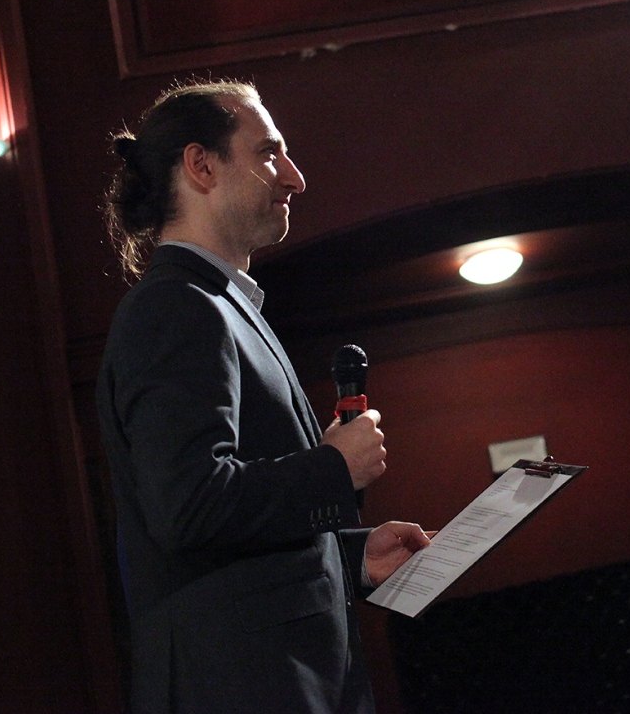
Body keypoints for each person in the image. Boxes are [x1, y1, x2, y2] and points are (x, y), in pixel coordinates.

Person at [97, 78, 430, 713]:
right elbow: (189, 506)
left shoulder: (215, 306)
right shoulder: (177, 307)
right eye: (269, 153)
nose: (295, 178)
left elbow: (229, 539)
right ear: (201, 167)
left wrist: (351, 558)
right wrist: (333, 467)